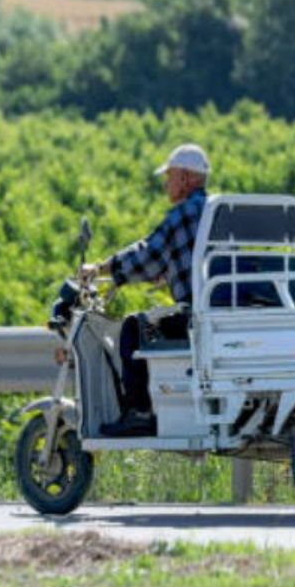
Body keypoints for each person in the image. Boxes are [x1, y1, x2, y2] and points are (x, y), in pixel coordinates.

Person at [84, 143, 210, 437]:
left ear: (186, 178)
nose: (166, 183)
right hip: (221, 312)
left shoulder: (184, 214)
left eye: (170, 176)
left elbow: (147, 254)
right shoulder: (217, 209)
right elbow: (187, 257)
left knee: (134, 328)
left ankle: (140, 413)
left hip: (197, 319)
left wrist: (102, 270)